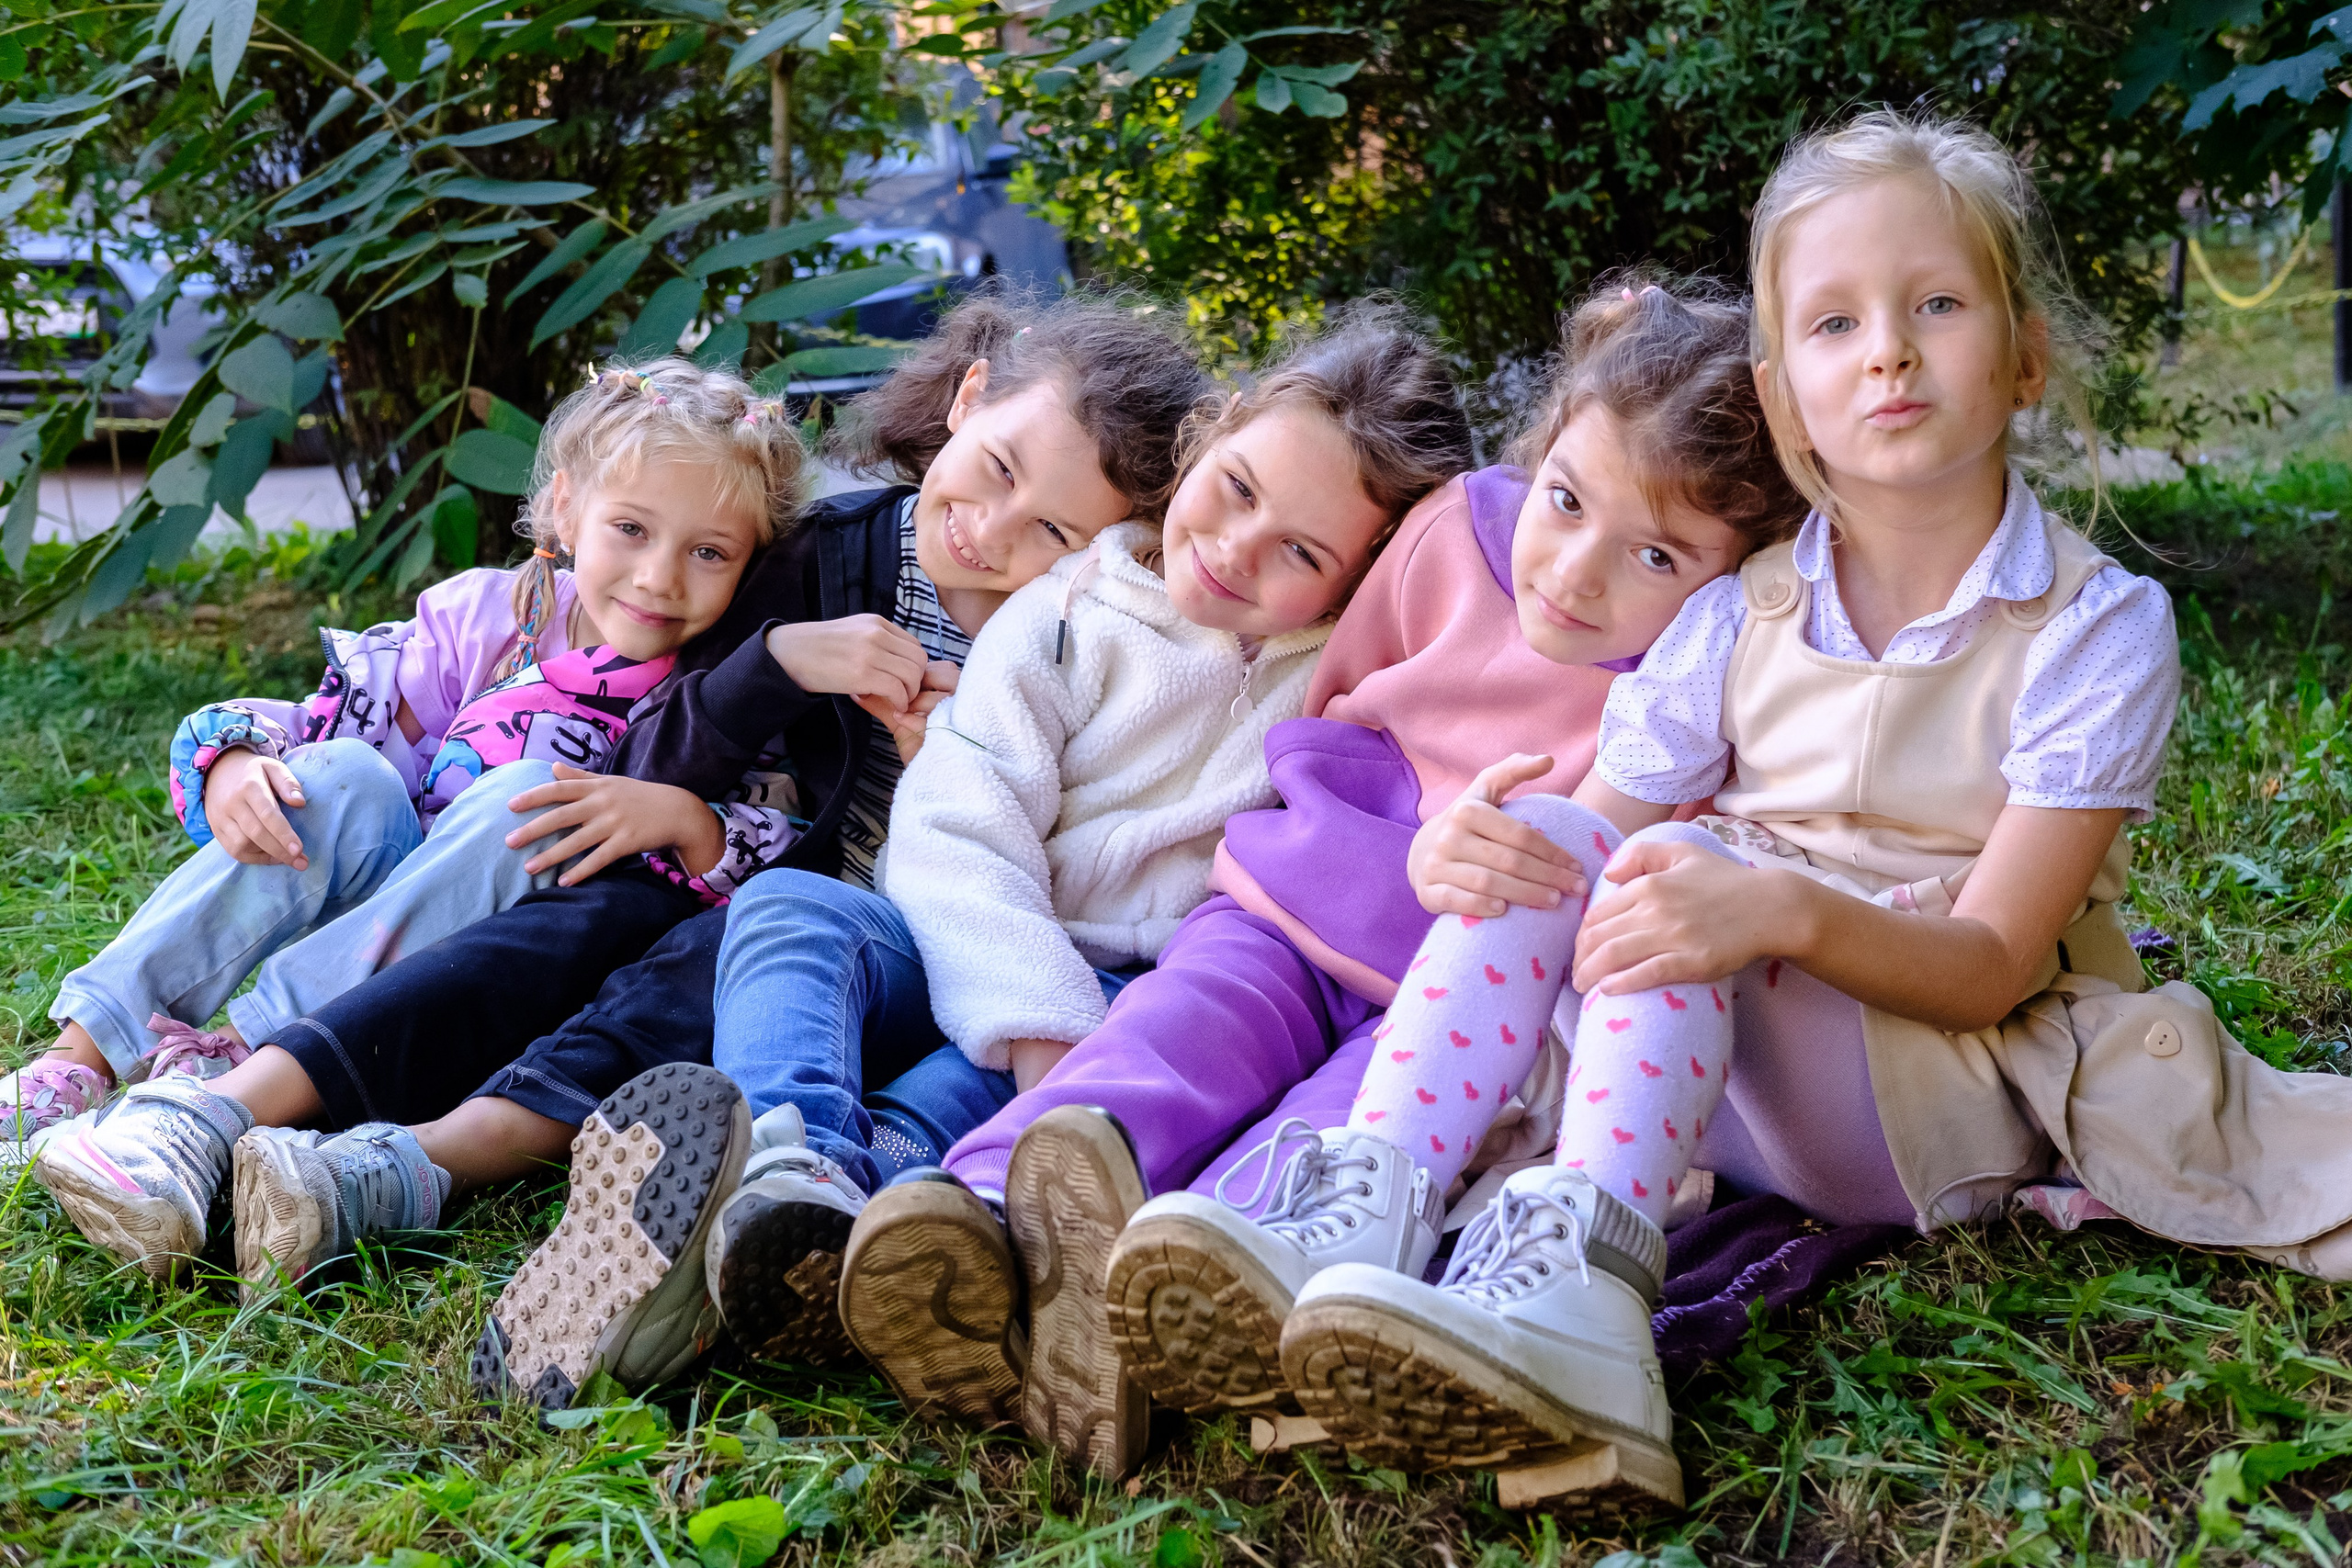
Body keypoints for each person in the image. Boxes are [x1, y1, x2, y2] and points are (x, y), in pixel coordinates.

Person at [1268, 112, 2344, 1509]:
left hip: (1928, 1099)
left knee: (1663, 859)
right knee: (1589, 849)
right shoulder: (1734, 614)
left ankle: (1587, 1309)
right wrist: (1462, 851)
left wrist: (1768, 899)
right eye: (1834, 323)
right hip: (1704, 1091)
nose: (1888, 349)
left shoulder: (2095, 625)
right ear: (1788, 399)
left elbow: (1991, 966)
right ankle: (1364, 1207)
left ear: (2023, 355)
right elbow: (1572, 863)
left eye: (1936, 305)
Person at [453, 287, 1217, 1410]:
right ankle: (779, 1184)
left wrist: (944, 765)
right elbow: (669, 739)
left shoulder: (1090, 636)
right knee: (759, 931)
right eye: (1001, 471)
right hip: (853, 946)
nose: (998, 533)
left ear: (1117, 545)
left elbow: (1085, 869)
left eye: (1056, 531)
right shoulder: (843, 561)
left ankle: (759, 1254)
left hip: (1018, 982)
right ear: (968, 399)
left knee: (941, 1101)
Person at [1093, 277, 1809, 1429]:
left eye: (1659, 559)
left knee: (1318, 1158)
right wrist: (1398, 849)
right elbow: (1338, 714)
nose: (1577, 572)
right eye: (1566, 500)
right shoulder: (1454, 531)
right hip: (1301, 905)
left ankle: (1162, 1327)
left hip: (1458, 1012)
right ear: (1542, 452)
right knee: (1170, 1040)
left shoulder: (1703, 692)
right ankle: (985, 1207)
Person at [829, 304, 1477, 1477]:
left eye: (1301, 553)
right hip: (1020, 972)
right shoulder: (1071, 609)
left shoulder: (1337, 683)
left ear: (1364, 580)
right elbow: (959, 818)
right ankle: (855, 1218)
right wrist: (1044, 1028)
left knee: (1165, 1073)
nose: (1236, 549)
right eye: (1234, 489)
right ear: (1209, 436)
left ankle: (1006, 1274)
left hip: (1166, 987)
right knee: (925, 1068)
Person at [33, 357, 798, 1285]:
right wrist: (236, 757)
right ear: (566, 509)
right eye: (629, 528)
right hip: (378, 907)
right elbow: (329, 726)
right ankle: (77, 1063)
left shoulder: (725, 698)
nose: (658, 576)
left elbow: (768, 856)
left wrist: (681, 813)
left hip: (464, 988)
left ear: (753, 564)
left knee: (526, 791)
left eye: (708, 552)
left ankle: (234, 1071)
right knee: (348, 775)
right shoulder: (491, 619)